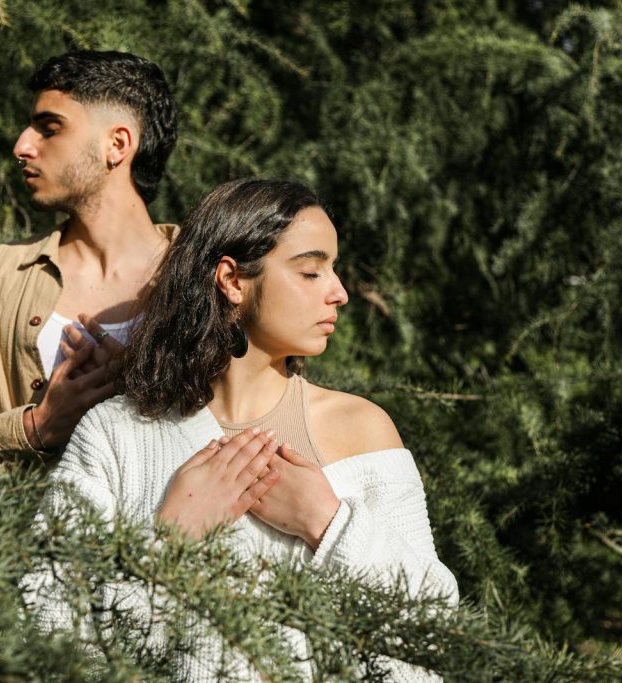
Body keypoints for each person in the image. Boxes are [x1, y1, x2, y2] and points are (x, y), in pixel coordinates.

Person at [28, 178, 458, 680]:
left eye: (333, 271)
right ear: (232, 280)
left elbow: (436, 629)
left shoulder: (360, 431)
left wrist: (328, 523)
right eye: (312, 271)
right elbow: (43, 627)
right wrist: (170, 540)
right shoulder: (117, 435)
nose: (339, 293)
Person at [0, 50, 179, 467]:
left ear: (117, 144)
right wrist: (34, 428)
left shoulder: (210, 280)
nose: (22, 146)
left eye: (49, 128)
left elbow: (259, 435)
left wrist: (141, 395)